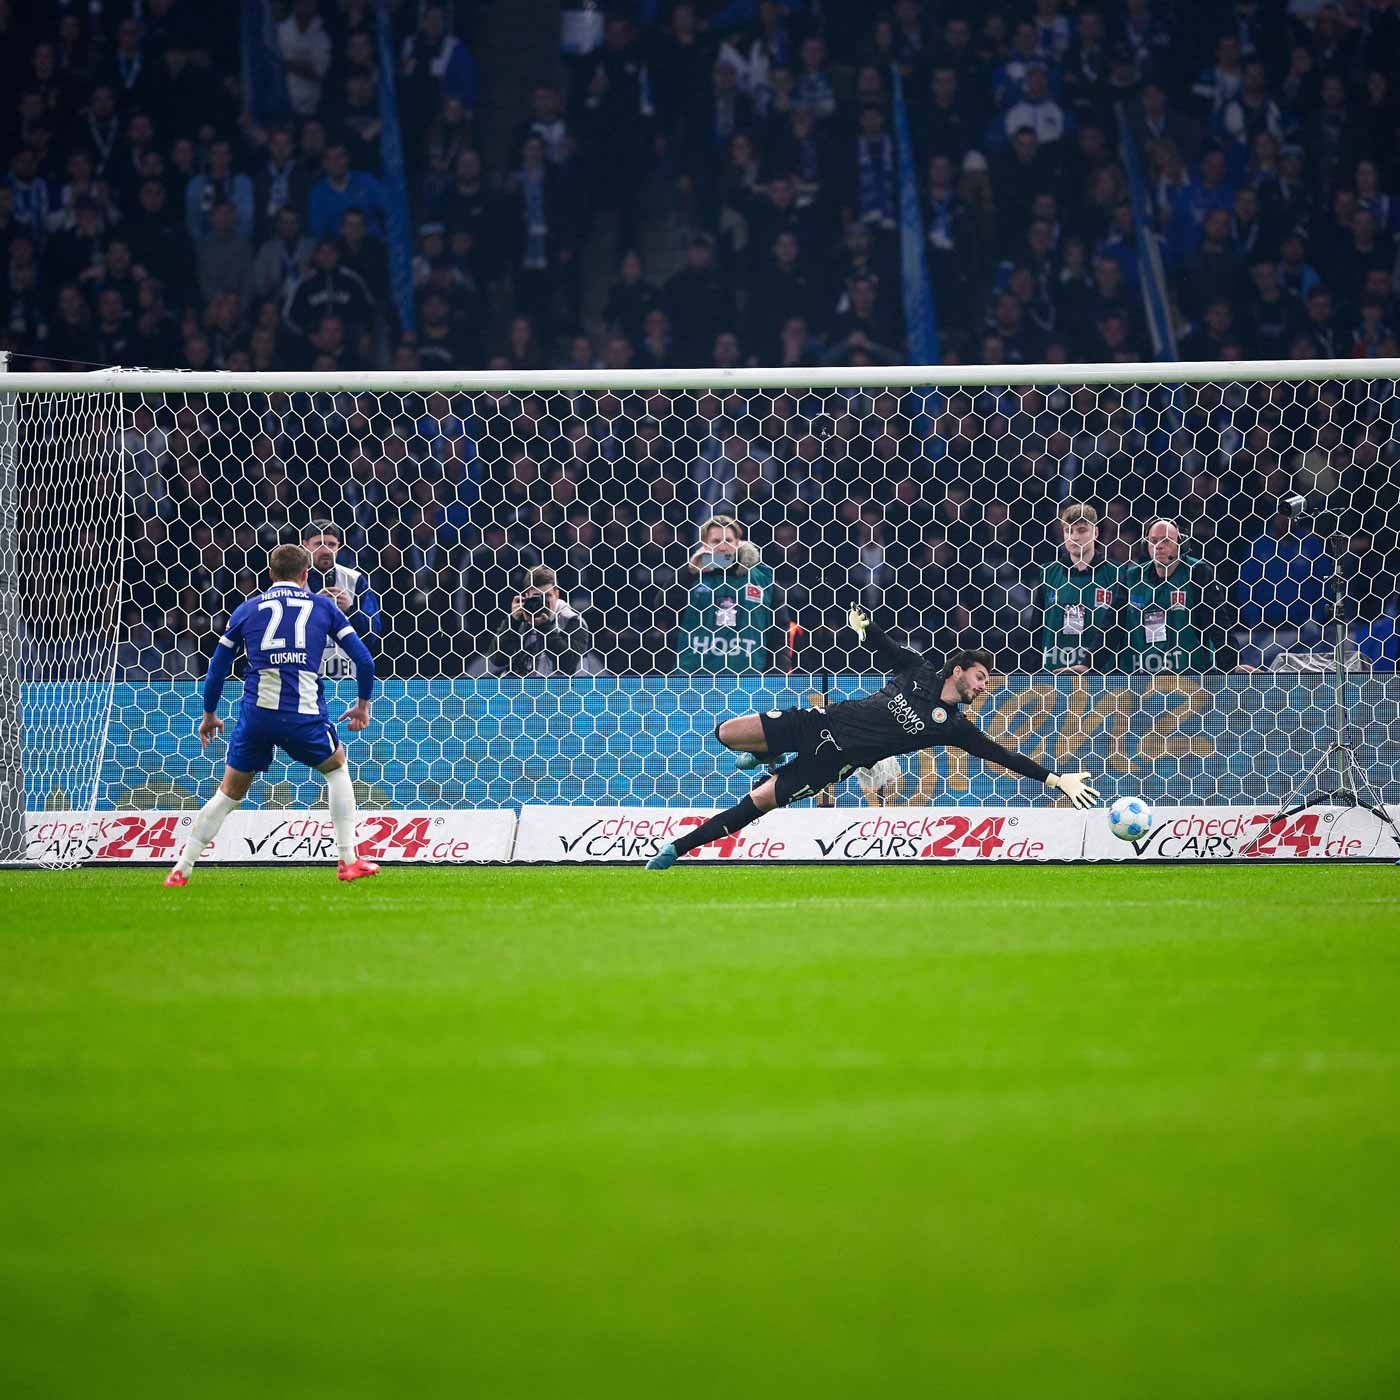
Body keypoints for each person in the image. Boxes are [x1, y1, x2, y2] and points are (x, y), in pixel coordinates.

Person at [646, 605, 1098, 870]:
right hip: (816, 724)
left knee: (757, 804)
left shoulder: (953, 726)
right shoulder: (918, 671)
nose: (983, 686)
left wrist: (1056, 780)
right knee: (727, 733)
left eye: (986, 682)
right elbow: (886, 648)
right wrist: (865, 628)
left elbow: (1000, 755)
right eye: (980, 677)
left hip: (831, 765)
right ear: (958, 670)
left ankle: (675, 850)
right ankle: (765, 754)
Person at [165, 544, 379, 886]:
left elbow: (217, 668)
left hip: (256, 715)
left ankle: (182, 868)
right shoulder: (322, 606)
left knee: (228, 793)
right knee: (337, 769)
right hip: (302, 714)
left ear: (269, 574)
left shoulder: (248, 609)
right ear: (306, 574)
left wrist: (209, 714)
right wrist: (362, 705)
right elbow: (365, 660)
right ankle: (348, 859)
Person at [676, 515, 775, 674]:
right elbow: (662, 608)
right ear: (704, 545)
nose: (722, 547)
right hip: (695, 678)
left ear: (739, 543)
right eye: (715, 541)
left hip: (746, 679)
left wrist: (778, 671)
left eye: (728, 541)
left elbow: (779, 627)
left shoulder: (761, 576)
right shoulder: (693, 575)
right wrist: (688, 572)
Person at [1122, 520, 1217, 674]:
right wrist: (1089, 663)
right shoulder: (1131, 576)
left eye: (1166, 540)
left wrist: (1233, 664)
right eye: (1153, 541)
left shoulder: (1197, 572)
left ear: (1182, 544)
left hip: (1192, 679)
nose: (1158, 546)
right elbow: (1111, 625)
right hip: (1140, 679)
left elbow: (1217, 623)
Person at [1038, 502, 1122, 673]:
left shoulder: (1118, 574)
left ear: (1096, 533)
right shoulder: (1048, 573)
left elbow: (1120, 628)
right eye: (1069, 531)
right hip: (1054, 674)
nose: (1074, 537)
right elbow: (1036, 628)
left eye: (1082, 530)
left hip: (1103, 677)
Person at [303, 520, 381, 683]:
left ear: (338, 546)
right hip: (306, 678)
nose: (325, 550)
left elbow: (373, 633)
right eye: (319, 544)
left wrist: (350, 610)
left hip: (348, 678)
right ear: (305, 546)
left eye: (331, 544)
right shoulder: (296, 582)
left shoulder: (354, 580)